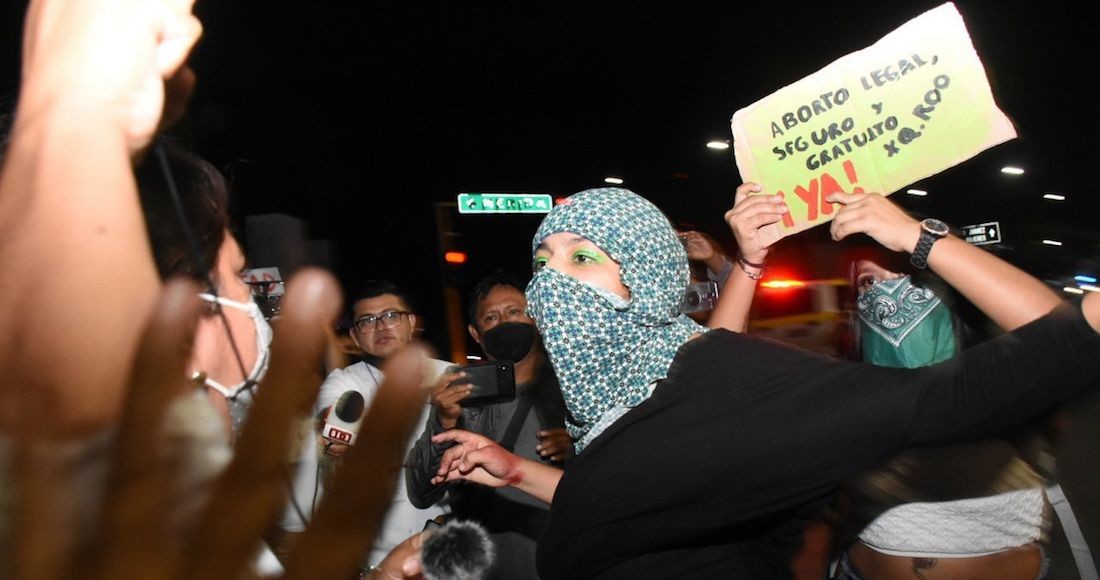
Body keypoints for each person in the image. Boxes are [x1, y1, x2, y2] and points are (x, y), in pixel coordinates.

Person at [430, 186, 1100, 579]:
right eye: (543, 261)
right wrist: (517, 471)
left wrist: (918, 238)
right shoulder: (617, 396)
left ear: (651, 278)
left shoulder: (737, 385)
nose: (552, 284)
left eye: (582, 258)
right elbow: (649, 487)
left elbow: (978, 384)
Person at [407, 271, 571, 579]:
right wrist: (444, 420)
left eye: (514, 312)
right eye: (492, 318)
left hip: (554, 562)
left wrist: (576, 447)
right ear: (475, 333)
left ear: (535, 317)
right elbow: (420, 493)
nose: (505, 323)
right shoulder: (461, 396)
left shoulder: (571, 389)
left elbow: (617, 481)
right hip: (479, 567)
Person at [281, 281, 451, 568]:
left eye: (391, 316)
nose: (381, 326)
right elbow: (334, 422)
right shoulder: (345, 382)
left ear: (411, 323)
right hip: (377, 554)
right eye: (368, 321)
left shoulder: (448, 376)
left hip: (448, 543)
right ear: (356, 336)